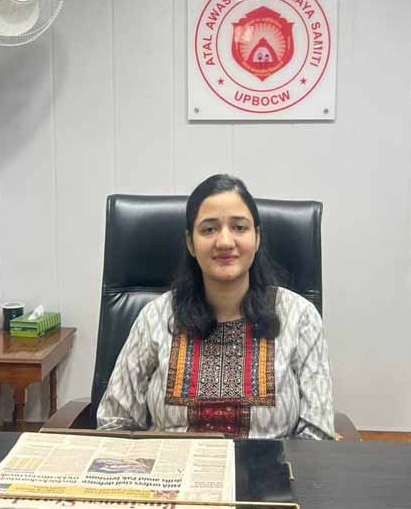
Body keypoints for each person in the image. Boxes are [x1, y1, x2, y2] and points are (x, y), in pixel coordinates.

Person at [96, 174, 335, 439]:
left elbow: (317, 433)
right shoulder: (156, 317)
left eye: (239, 227)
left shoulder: (299, 317)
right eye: (209, 229)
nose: (224, 242)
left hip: (271, 464)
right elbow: (114, 421)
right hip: (172, 464)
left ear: (257, 237)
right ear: (191, 243)